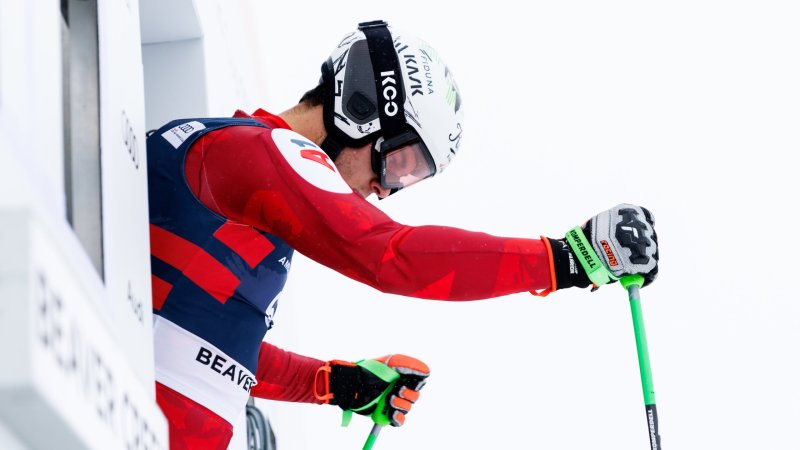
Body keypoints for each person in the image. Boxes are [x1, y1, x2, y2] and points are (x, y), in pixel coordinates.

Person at [146, 20, 659, 450]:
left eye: (410, 179)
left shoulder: (253, 183)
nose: (386, 190)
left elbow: (208, 349)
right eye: (400, 163)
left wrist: (336, 383)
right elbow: (391, 255)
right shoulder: (257, 153)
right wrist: (568, 258)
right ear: (362, 106)